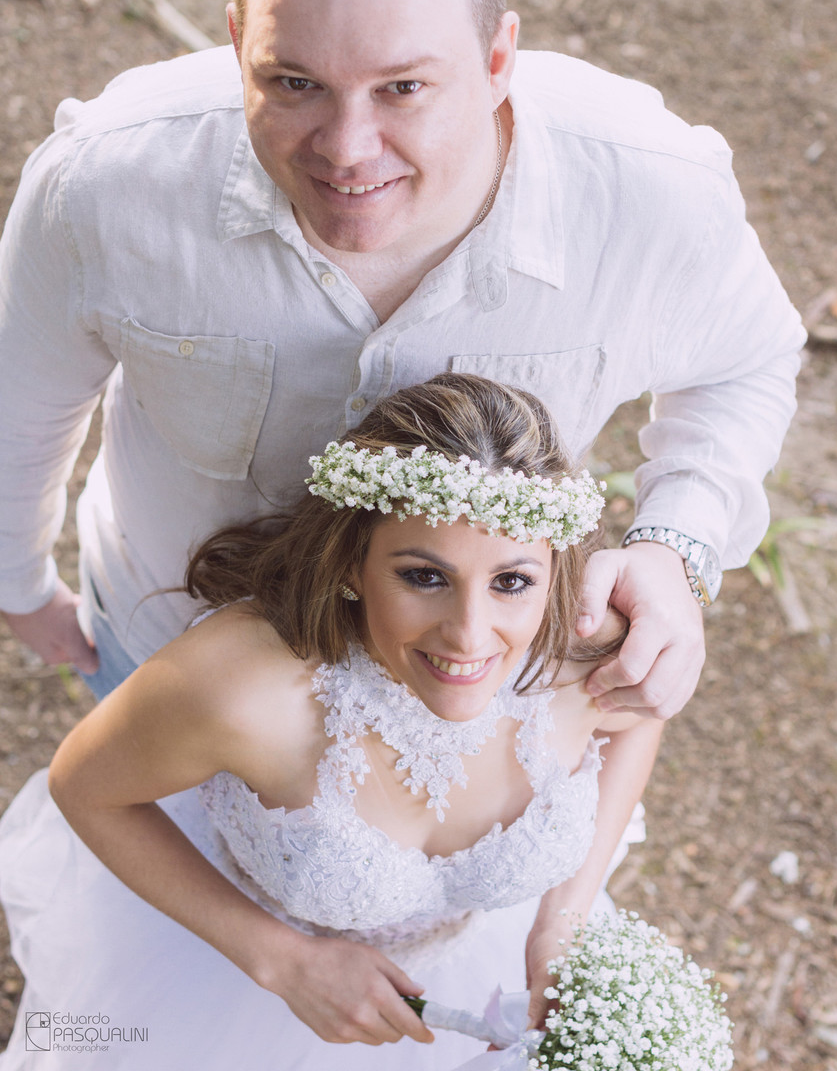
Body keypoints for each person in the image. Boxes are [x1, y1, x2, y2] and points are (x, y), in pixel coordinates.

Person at [0, 0, 804, 717]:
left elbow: (744, 362)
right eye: (295, 82)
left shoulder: (650, 196)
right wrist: (18, 585)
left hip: (483, 688)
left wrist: (675, 546)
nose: (347, 150)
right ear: (238, 46)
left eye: (403, 88)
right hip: (167, 655)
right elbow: (18, 405)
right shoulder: (101, 185)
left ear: (497, 62)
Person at [0, 373, 661, 1069]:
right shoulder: (238, 688)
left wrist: (563, 921)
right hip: (229, 982)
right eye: (424, 576)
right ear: (352, 564)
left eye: (511, 582)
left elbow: (641, 715)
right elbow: (84, 787)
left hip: (477, 964)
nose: (469, 635)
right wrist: (282, 960)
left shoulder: (583, 653)